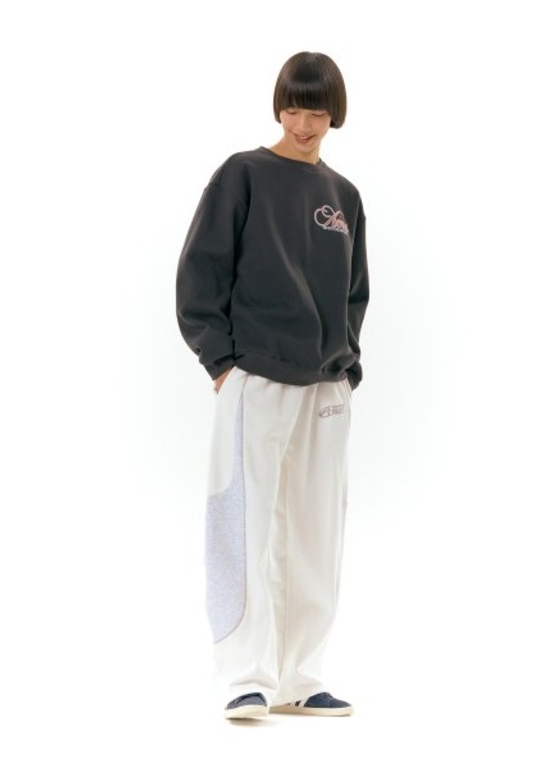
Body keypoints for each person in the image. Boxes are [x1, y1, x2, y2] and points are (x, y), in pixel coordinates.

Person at [176, 51, 369, 720]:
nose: (303, 123)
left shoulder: (344, 196)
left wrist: (347, 367)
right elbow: (202, 271)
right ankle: (244, 677)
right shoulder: (243, 174)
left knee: (316, 532)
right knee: (244, 524)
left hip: (325, 388)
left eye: (316, 111)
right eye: (292, 108)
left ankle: (301, 678)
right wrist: (221, 362)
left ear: (335, 114)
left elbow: (354, 292)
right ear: (278, 107)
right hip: (254, 377)